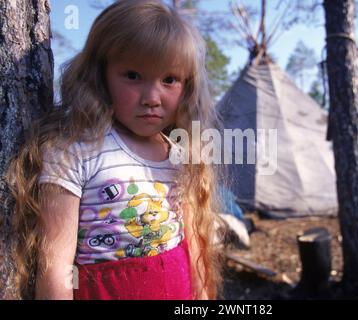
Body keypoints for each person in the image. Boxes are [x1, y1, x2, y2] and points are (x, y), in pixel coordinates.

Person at [6, 0, 223, 300]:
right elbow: (55, 268)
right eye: (133, 75)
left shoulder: (180, 154)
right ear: (100, 74)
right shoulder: (74, 151)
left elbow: (194, 245)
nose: (152, 98)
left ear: (187, 87)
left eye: (169, 80)